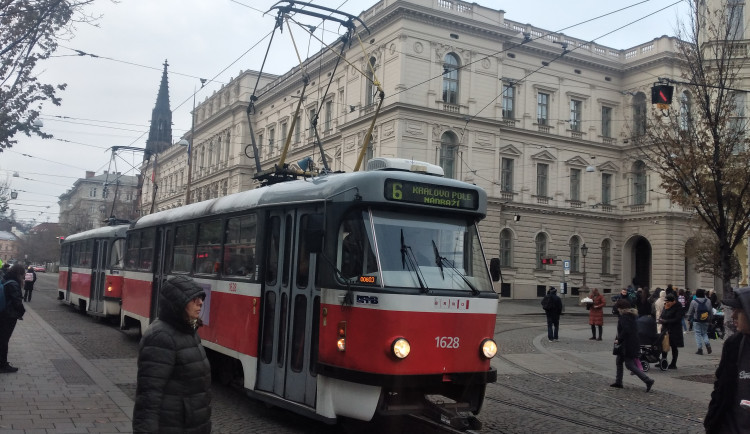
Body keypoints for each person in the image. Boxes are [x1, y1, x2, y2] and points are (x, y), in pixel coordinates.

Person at [132, 275, 211, 433]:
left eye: (201, 298)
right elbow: (148, 399)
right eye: (194, 299)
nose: (200, 303)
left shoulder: (189, 333)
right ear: (178, 304)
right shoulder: (161, 337)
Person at [704, 286, 750, 433]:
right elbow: (721, 388)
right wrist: (712, 422)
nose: (733, 315)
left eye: (739, 311)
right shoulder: (733, 344)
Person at [611, 298, 655, 391]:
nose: (617, 309)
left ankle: (648, 380)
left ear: (621, 308)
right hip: (631, 342)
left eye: (618, 308)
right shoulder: (631, 315)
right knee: (619, 361)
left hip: (627, 344)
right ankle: (618, 382)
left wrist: (619, 339)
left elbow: (626, 330)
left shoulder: (624, 317)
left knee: (629, 364)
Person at [0, 264, 27, 373]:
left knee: (2, 339)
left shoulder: (5, 280)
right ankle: (2, 365)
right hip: (8, 316)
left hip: (2, 313)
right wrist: (21, 312)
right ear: (19, 273)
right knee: (4, 340)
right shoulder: (13, 284)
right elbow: (17, 302)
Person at [658, 293, 685, 369]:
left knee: (674, 346)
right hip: (665, 329)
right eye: (666, 302)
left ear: (672, 301)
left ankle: (673, 363)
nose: (666, 303)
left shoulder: (678, 306)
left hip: (674, 330)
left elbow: (677, 319)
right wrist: (660, 319)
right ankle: (664, 361)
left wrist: (666, 321)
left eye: (668, 302)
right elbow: (662, 314)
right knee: (664, 345)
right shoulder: (666, 305)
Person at [686, 288, 713, 355]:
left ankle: (700, 349)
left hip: (696, 320)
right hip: (706, 319)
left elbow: (690, 311)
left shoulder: (694, 301)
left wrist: (689, 319)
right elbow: (710, 311)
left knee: (697, 334)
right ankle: (707, 344)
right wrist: (710, 319)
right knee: (704, 333)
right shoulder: (708, 301)